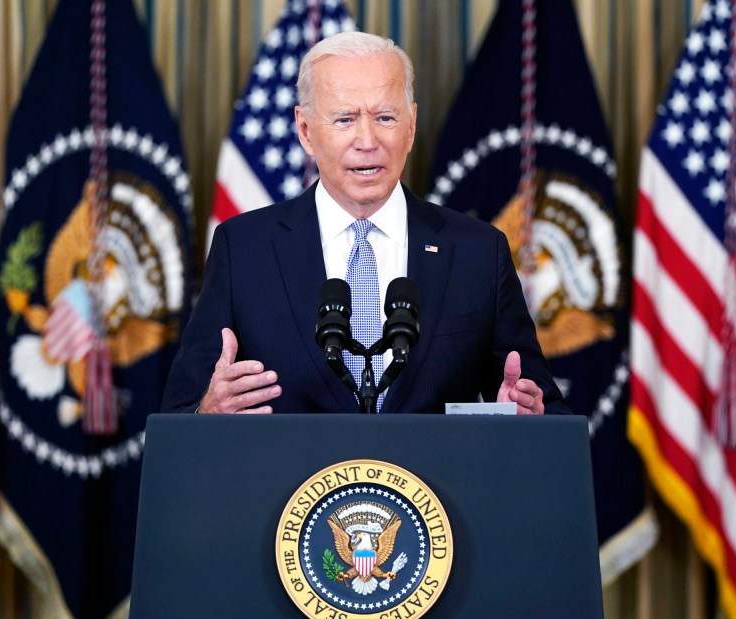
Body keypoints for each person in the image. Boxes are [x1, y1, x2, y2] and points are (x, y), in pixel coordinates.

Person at [162, 31, 568, 416]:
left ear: (410, 126)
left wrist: (526, 414)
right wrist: (208, 410)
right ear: (305, 131)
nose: (368, 140)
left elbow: (544, 412)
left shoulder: (478, 253)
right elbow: (179, 417)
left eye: (385, 118)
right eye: (344, 120)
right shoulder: (244, 250)